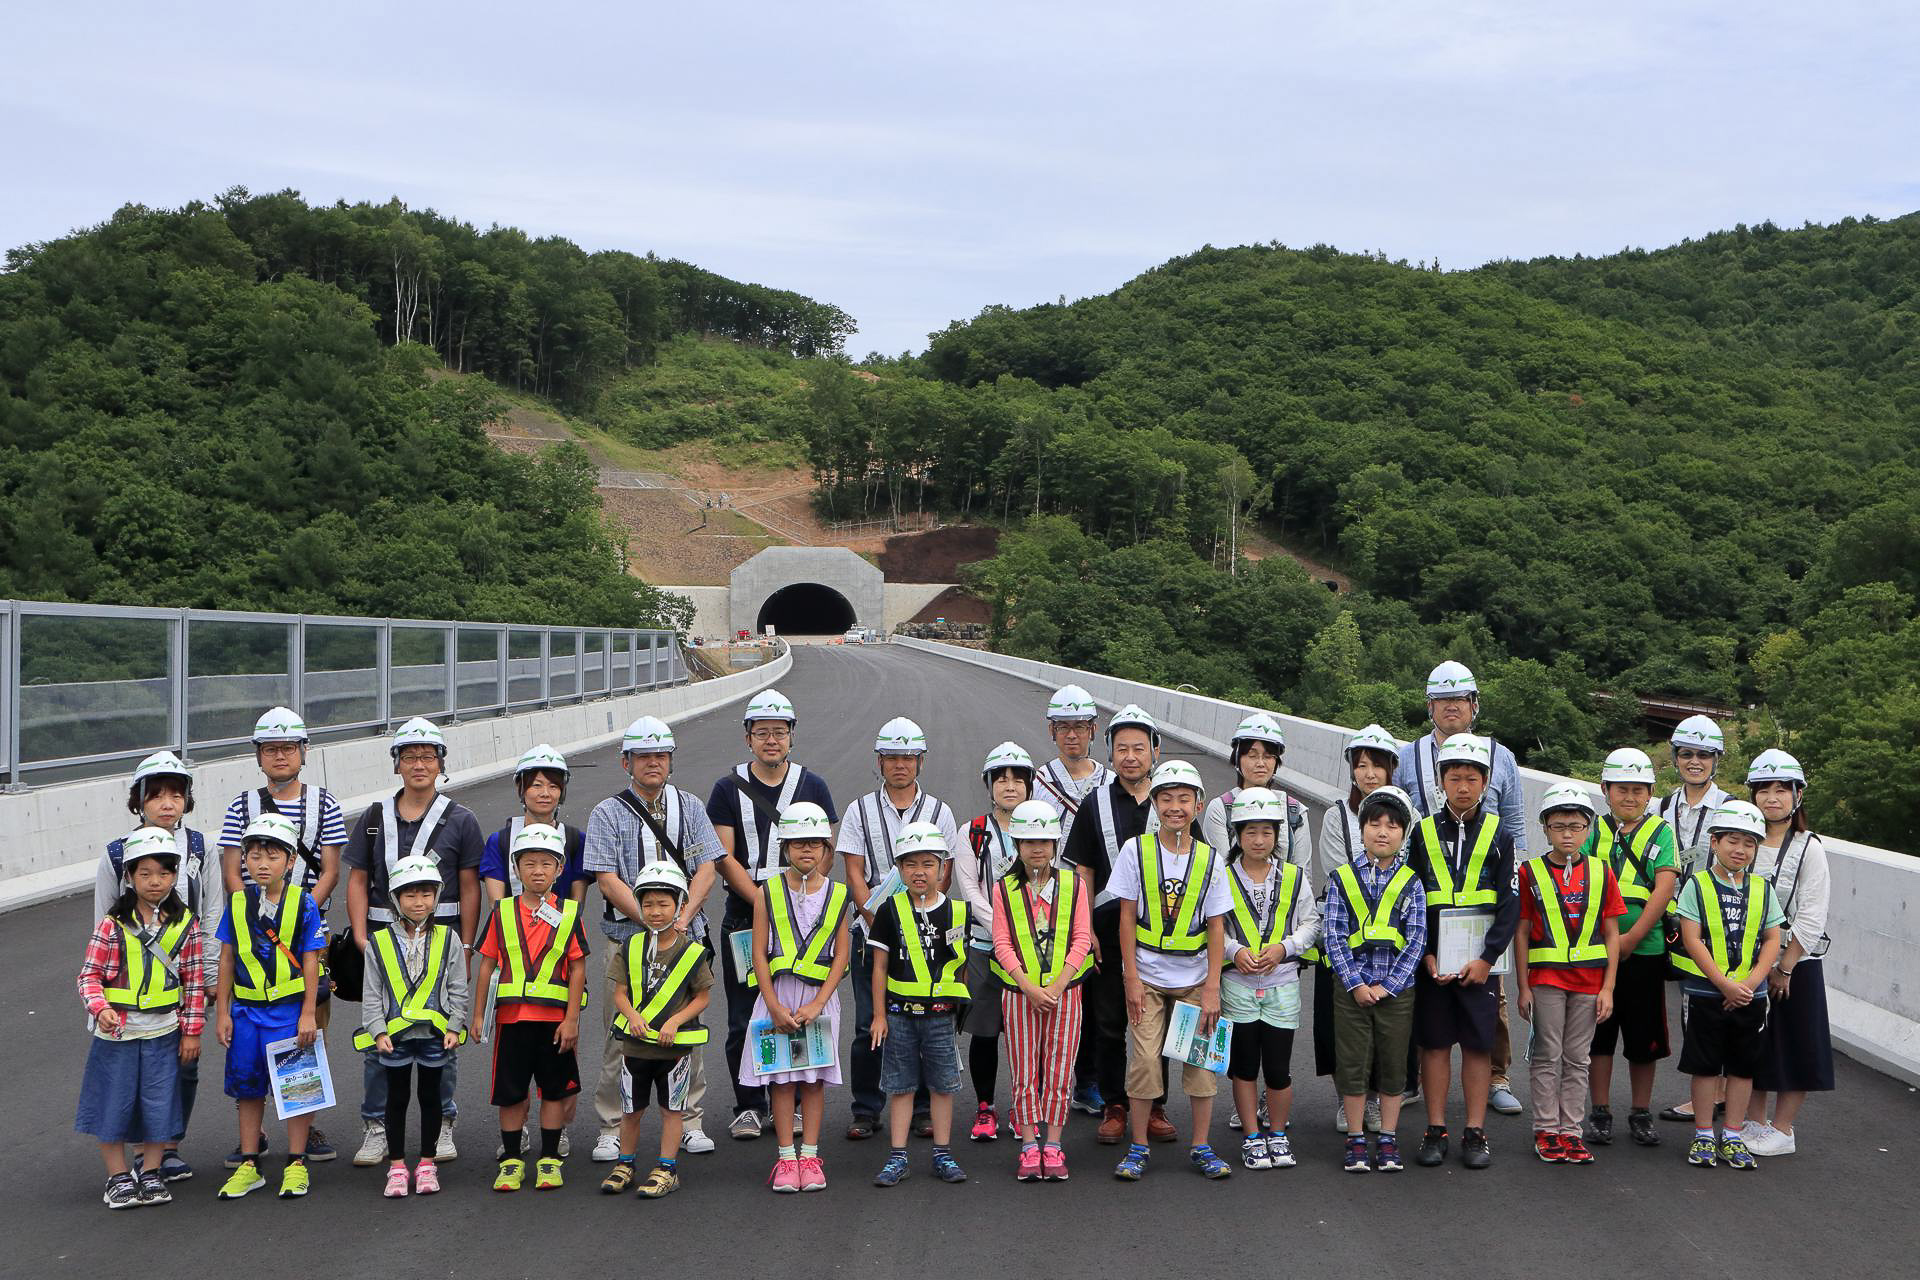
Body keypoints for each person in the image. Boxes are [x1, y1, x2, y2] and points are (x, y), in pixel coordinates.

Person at [344, 717, 484, 1167]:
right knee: (380, 1033)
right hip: (384, 941)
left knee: (442, 1035)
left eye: (427, 756)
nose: (419, 764)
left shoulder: (461, 819)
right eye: (409, 757)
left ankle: (441, 1121)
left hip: (441, 943)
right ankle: (376, 1125)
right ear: (397, 764)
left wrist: (465, 946)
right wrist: (361, 936)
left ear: (441, 763)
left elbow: (469, 887)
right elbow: (358, 879)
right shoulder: (374, 818)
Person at [584, 719, 723, 1161]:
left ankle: (690, 1121)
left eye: (660, 755)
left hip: (684, 942)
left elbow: (707, 868)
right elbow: (607, 879)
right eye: (643, 756)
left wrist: (680, 920)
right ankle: (611, 1126)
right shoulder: (607, 812)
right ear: (626, 762)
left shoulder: (691, 806)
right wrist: (650, 922)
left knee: (686, 1032)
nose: (653, 763)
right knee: (620, 1033)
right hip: (628, 941)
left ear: (670, 760)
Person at [1394, 660, 1527, 1116]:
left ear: (1474, 705)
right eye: (1442, 700)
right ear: (1429, 705)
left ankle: (1497, 1077)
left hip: (1484, 906)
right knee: (1425, 1000)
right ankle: (1413, 1080)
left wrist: (1517, 886)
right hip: (1432, 905)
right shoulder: (1408, 756)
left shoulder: (1500, 756)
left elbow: (1514, 823)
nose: (1451, 707)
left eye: (1460, 699)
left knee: (1492, 998)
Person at [705, 689, 837, 1142]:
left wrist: (794, 899)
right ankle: (749, 1104)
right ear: (748, 738)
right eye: (762, 733)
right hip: (746, 914)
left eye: (779, 732)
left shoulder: (813, 785)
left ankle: (794, 1102)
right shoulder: (727, 788)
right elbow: (725, 857)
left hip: (805, 916)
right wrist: (767, 901)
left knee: (799, 1006)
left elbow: (824, 850)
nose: (771, 741)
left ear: (792, 736)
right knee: (745, 1013)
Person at [216, 707, 347, 1164]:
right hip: (251, 934)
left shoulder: (324, 803)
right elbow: (231, 871)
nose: (279, 756)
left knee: (307, 1029)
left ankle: (303, 1128)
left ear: (303, 751)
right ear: (258, 755)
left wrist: (296, 910)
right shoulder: (240, 806)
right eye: (270, 749)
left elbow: (330, 870)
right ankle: (254, 1134)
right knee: (248, 1038)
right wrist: (255, 915)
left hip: (306, 930)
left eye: (288, 747)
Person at [93, 752, 222, 1185]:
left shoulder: (201, 847)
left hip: (184, 977)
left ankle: (167, 1147)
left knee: (182, 1064)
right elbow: (103, 921)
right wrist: (102, 996)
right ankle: (140, 1153)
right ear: (139, 800)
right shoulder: (117, 853)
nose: (167, 804)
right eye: (156, 795)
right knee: (133, 1070)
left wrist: (209, 976)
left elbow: (211, 913)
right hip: (128, 988)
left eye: (176, 795)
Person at [837, 716, 960, 1140]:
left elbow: (944, 873)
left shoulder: (941, 812)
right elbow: (854, 872)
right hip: (871, 929)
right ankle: (866, 1109)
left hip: (925, 934)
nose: (900, 765)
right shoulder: (859, 810)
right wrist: (880, 922)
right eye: (891, 757)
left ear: (920, 760)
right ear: (879, 761)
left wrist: (911, 922)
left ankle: (923, 1109)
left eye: (908, 757)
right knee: (868, 1023)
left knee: (922, 1019)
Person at [1110, 760, 1232, 1182]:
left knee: (1200, 1064)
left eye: (1184, 799)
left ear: (1198, 805)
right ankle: (1139, 1146)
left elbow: (1216, 926)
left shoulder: (1211, 860)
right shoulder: (1136, 851)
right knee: (1145, 1060)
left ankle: (1201, 1146)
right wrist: (1130, 978)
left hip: (1195, 980)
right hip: (1147, 977)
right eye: (1166, 798)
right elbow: (1126, 917)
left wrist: (1213, 987)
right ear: (1154, 804)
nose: (1175, 807)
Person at [1060, 703, 1173, 1145]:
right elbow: (1083, 870)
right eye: (1122, 748)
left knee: (1156, 1024)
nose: (1130, 756)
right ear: (1110, 752)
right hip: (1106, 934)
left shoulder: (1172, 801)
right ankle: (1115, 1105)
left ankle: (1156, 1105)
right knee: (1108, 1024)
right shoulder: (1095, 804)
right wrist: (1084, 931)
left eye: (1139, 748)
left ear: (1155, 751)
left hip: (1161, 936)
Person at [76, 827, 206, 1209]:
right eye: (144, 873)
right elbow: (89, 976)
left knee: (159, 1104)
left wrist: (191, 1033)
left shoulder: (186, 924)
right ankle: (118, 1177)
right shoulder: (112, 924)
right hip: (117, 1034)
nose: (155, 881)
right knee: (113, 1103)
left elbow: (194, 983)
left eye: (164, 873)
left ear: (175, 875)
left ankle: (150, 1172)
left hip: (164, 1032)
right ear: (129, 876)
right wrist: (100, 1008)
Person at [1407, 734, 1518, 1170]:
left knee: (1477, 1046)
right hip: (1433, 962)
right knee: (1434, 1045)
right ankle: (1436, 1129)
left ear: (1486, 782)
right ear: (1441, 781)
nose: (1463, 786)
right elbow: (1410, 899)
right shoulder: (1421, 833)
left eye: (1472, 778)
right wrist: (1425, 954)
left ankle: (1475, 1131)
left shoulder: (1500, 834)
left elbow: (1509, 903)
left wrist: (1487, 959)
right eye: (1454, 778)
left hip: (1479, 964)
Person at [482, 744, 588, 1161]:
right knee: (513, 1069)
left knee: (561, 1062)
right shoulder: (501, 840)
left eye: (553, 785)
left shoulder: (573, 838)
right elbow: (497, 902)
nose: (545, 792)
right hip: (516, 962)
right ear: (520, 789)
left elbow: (577, 899)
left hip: (558, 959)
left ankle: (555, 1135)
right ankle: (517, 1134)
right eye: (536, 784)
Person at [214, 813, 327, 1200]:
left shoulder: (303, 903)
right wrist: (223, 1012)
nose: (262, 863)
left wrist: (308, 1012)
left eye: (273, 856)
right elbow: (227, 958)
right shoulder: (237, 903)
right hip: (246, 1012)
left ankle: (296, 1162)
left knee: (297, 1085)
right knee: (248, 1088)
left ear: (291, 861)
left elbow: (311, 959)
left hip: (288, 1011)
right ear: (244, 859)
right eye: (255, 856)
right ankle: (250, 1164)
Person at [470, 824, 587, 1192]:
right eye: (529, 863)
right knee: (511, 1092)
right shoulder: (502, 911)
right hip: (511, 1020)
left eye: (546, 864)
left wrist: (572, 1020)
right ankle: (511, 1160)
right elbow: (487, 965)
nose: (538, 871)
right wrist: (478, 1015)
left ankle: (549, 1158)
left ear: (559, 869)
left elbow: (578, 967)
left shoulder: (569, 912)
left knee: (553, 1090)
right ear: (516, 868)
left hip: (554, 1022)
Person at [744, 803, 851, 1193]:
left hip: (817, 999)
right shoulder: (767, 891)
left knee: (813, 1080)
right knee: (782, 1081)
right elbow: (759, 953)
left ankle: (810, 1155)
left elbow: (841, 956)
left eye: (814, 843)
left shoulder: (839, 894)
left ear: (825, 848)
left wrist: (818, 1004)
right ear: (784, 847)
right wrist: (772, 1005)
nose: (806, 850)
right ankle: (787, 1157)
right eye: (798, 843)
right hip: (778, 996)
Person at [1514, 784, 1624, 1164]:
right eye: (1559, 826)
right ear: (1545, 828)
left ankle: (1571, 1131)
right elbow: (1522, 932)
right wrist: (1523, 986)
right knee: (1548, 1054)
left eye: (1576, 827)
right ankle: (1546, 1129)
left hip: (1590, 981)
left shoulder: (1601, 872)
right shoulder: (1530, 872)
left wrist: (1609, 988)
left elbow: (1612, 933)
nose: (1567, 835)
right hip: (1547, 979)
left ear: (1588, 829)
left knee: (1578, 1057)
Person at [1672, 801, 1784, 1170]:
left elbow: (1772, 939)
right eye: (1732, 841)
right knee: (1705, 1066)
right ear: (1715, 842)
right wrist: (1724, 984)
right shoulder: (1697, 885)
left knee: (1742, 1067)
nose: (1741, 850)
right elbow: (1691, 938)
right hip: (1706, 993)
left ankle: (1733, 1134)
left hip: (1751, 995)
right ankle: (1704, 1132)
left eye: (1749, 843)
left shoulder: (1763, 889)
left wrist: (1749, 983)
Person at [1323, 786, 1427, 1173]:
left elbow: (1417, 940)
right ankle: (1355, 1138)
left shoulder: (1412, 882)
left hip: (1396, 992)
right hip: (1351, 989)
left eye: (1392, 826)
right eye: (1374, 824)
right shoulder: (1341, 878)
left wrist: (1389, 986)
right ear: (1362, 829)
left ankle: (1387, 1137)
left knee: (1393, 1064)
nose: (1383, 832)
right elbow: (1333, 935)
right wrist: (1355, 983)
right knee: (1352, 1063)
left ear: (1404, 834)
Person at [355, 854, 469, 1199]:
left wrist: (455, 1025)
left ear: (437, 896)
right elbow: (371, 992)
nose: (419, 902)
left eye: (426, 894)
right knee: (397, 1099)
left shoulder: (449, 938)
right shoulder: (379, 942)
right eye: (410, 895)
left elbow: (458, 986)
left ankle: (427, 1163)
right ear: (395, 899)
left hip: (435, 1035)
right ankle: (397, 1166)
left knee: (431, 1097)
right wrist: (377, 1030)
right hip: (395, 1037)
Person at [990, 800, 1092, 1182]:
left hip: (1065, 994)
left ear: (1055, 844)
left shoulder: (1074, 885)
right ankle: (1029, 1144)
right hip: (1020, 995)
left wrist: (1058, 985)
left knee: (1060, 1068)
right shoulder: (1004, 889)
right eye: (1029, 841)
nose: (1038, 849)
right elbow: (1002, 943)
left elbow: (1082, 939)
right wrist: (1029, 987)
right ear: (1017, 844)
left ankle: (1054, 1143)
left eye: (1045, 841)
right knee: (1024, 1070)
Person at [1582, 747, 1679, 1149]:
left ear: (1651, 793)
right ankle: (1600, 1111)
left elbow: (1664, 887)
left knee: (1644, 1039)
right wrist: (1608, 942)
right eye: (1622, 788)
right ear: (1605, 789)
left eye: (1639, 789)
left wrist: (1632, 937)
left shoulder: (1661, 832)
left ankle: (1640, 1111)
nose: (1630, 796)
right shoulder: (1594, 830)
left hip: (1646, 949)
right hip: (1596, 949)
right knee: (1599, 1035)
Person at [1220, 788, 1320, 1171]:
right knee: (1244, 1066)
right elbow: (1212, 926)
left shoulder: (1294, 877)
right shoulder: (1222, 877)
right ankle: (1251, 1136)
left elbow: (1311, 923)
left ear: (1278, 835)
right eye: (1250, 832)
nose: (1259, 840)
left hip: (1281, 983)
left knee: (1278, 1068)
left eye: (1267, 831)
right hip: (1238, 985)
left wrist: (1285, 947)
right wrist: (1234, 951)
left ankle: (1277, 1134)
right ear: (1237, 835)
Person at [600, 863, 713, 1200]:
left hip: (673, 1049)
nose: (655, 911)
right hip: (635, 1047)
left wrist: (676, 1021)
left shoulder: (691, 952)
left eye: (663, 904)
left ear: (679, 905)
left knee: (671, 1110)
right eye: (648, 904)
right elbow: (620, 993)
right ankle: (625, 1164)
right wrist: (632, 1015)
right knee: (630, 1110)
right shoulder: (630, 946)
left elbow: (703, 997)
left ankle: (667, 1168)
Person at [1741, 749, 1834, 1157]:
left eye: (1782, 790)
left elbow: (1812, 916)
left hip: (1795, 964)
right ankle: (1753, 1121)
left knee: (1795, 1045)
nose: (1772, 798)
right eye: (1764, 790)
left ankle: (1782, 1129)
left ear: (1798, 796)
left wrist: (1786, 966)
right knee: (1753, 1045)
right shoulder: (1744, 841)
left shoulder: (1808, 848)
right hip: (1749, 962)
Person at [868, 822, 971, 1187]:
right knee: (900, 1086)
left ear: (942, 868)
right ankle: (898, 1156)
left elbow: (961, 967)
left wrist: (960, 1010)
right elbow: (879, 967)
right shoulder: (890, 910)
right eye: (910, 864)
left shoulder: (957, 912)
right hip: (899, 1016)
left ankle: (942, 1153)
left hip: (940, 1017)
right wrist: (879, 1015)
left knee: (943, 1085)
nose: (919, 872)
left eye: (928, 863)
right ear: (898, 868)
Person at [1032, 684, 1115, 1119]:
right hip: (1048, 902)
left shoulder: (1109, 782)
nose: (1072, 735)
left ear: (1093, 729)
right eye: (1063, 727)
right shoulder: (1038, 781)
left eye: (1080, 727)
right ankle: (1045, 1084)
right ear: (1051, 730)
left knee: (1094, 998)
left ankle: (1089, 1081)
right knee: (1051, 995)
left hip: (1099, 901)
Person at [1314, 724, 1399, 1135]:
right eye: (1361, 765)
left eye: (1377, 766)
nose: (1369, 774)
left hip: (1390, 944)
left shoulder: (1406, 813)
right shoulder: (1336, 815)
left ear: (1390, 769)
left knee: (1386, 1028)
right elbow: (1337, 873)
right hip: (1343, 935)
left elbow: (1407, 869)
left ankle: (1376, 1100)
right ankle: (1348, 1098)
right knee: (1340, 1026)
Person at [951, 741, 1035, 1144]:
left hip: (1033, 951)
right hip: (985, 947)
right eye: (1000, 778)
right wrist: (1004, 928)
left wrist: (1023, 931)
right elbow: (968, 888)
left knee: (1026, 1037)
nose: (1009, 785)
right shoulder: (972, 832)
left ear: (1029, 785)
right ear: (989, 785)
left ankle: (1023, 1106)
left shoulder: (1041, 826)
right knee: (984, 1032)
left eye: (1018, 778)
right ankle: (985, 1107)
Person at [1655, 716, 1731, 1126]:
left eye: (1704, 754)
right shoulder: (1662, 807)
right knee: (1693, 1008)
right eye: (1687, 754)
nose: (1695, 762)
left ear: (1717, 759)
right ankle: (1709, 1094)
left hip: (1718, 922)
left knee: (1719, 1007)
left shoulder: (1731, 808)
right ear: (1675, 757)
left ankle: (1717, 1096)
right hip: (1675, 922)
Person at [1200, 711, 1314, 872]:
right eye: (1252, 755)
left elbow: (1302, 875)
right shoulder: (1220, 809)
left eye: (1268, 756)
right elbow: (1222, 872)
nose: (1261, 763)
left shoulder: (1295, 812)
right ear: (1237, 759)